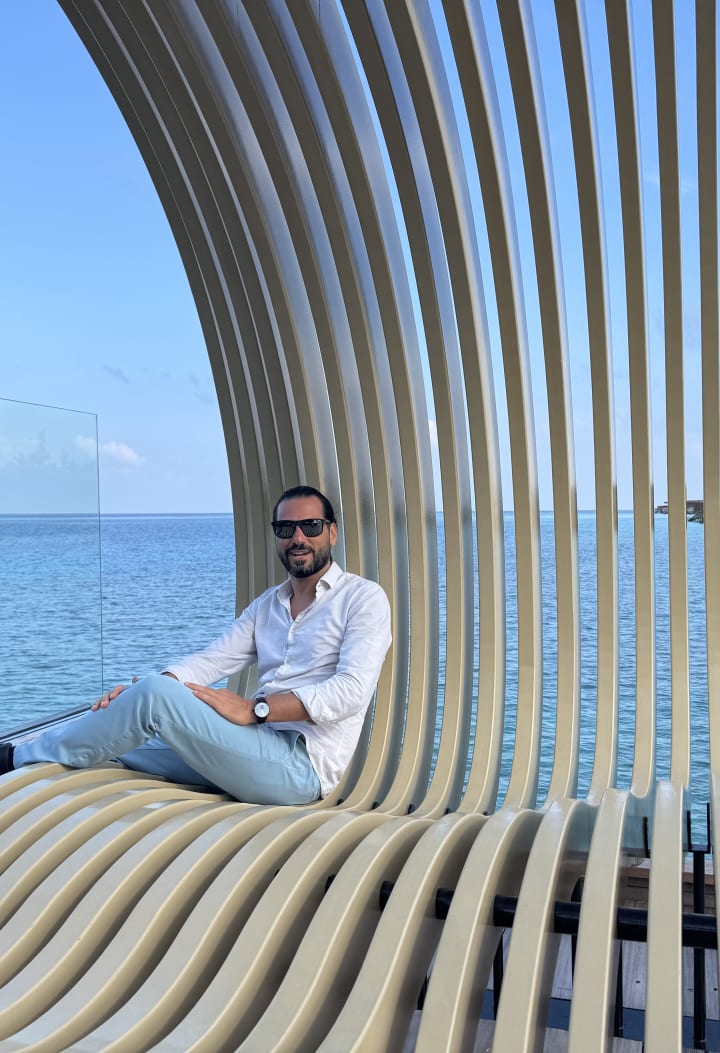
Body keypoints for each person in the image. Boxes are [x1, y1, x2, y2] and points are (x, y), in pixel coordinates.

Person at [1, 486, 392, 804]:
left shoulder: (362, 598)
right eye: (286, 529)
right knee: (113, 736)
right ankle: (28, 768)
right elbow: (212, 660)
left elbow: (351, 691)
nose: (298, 538)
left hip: (299, 767)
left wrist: (255, 709)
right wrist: (142, 695)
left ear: (332, 532)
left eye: (311, 526)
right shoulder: (268, 605)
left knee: (149, 697)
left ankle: (12, 758)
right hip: (250, 747)